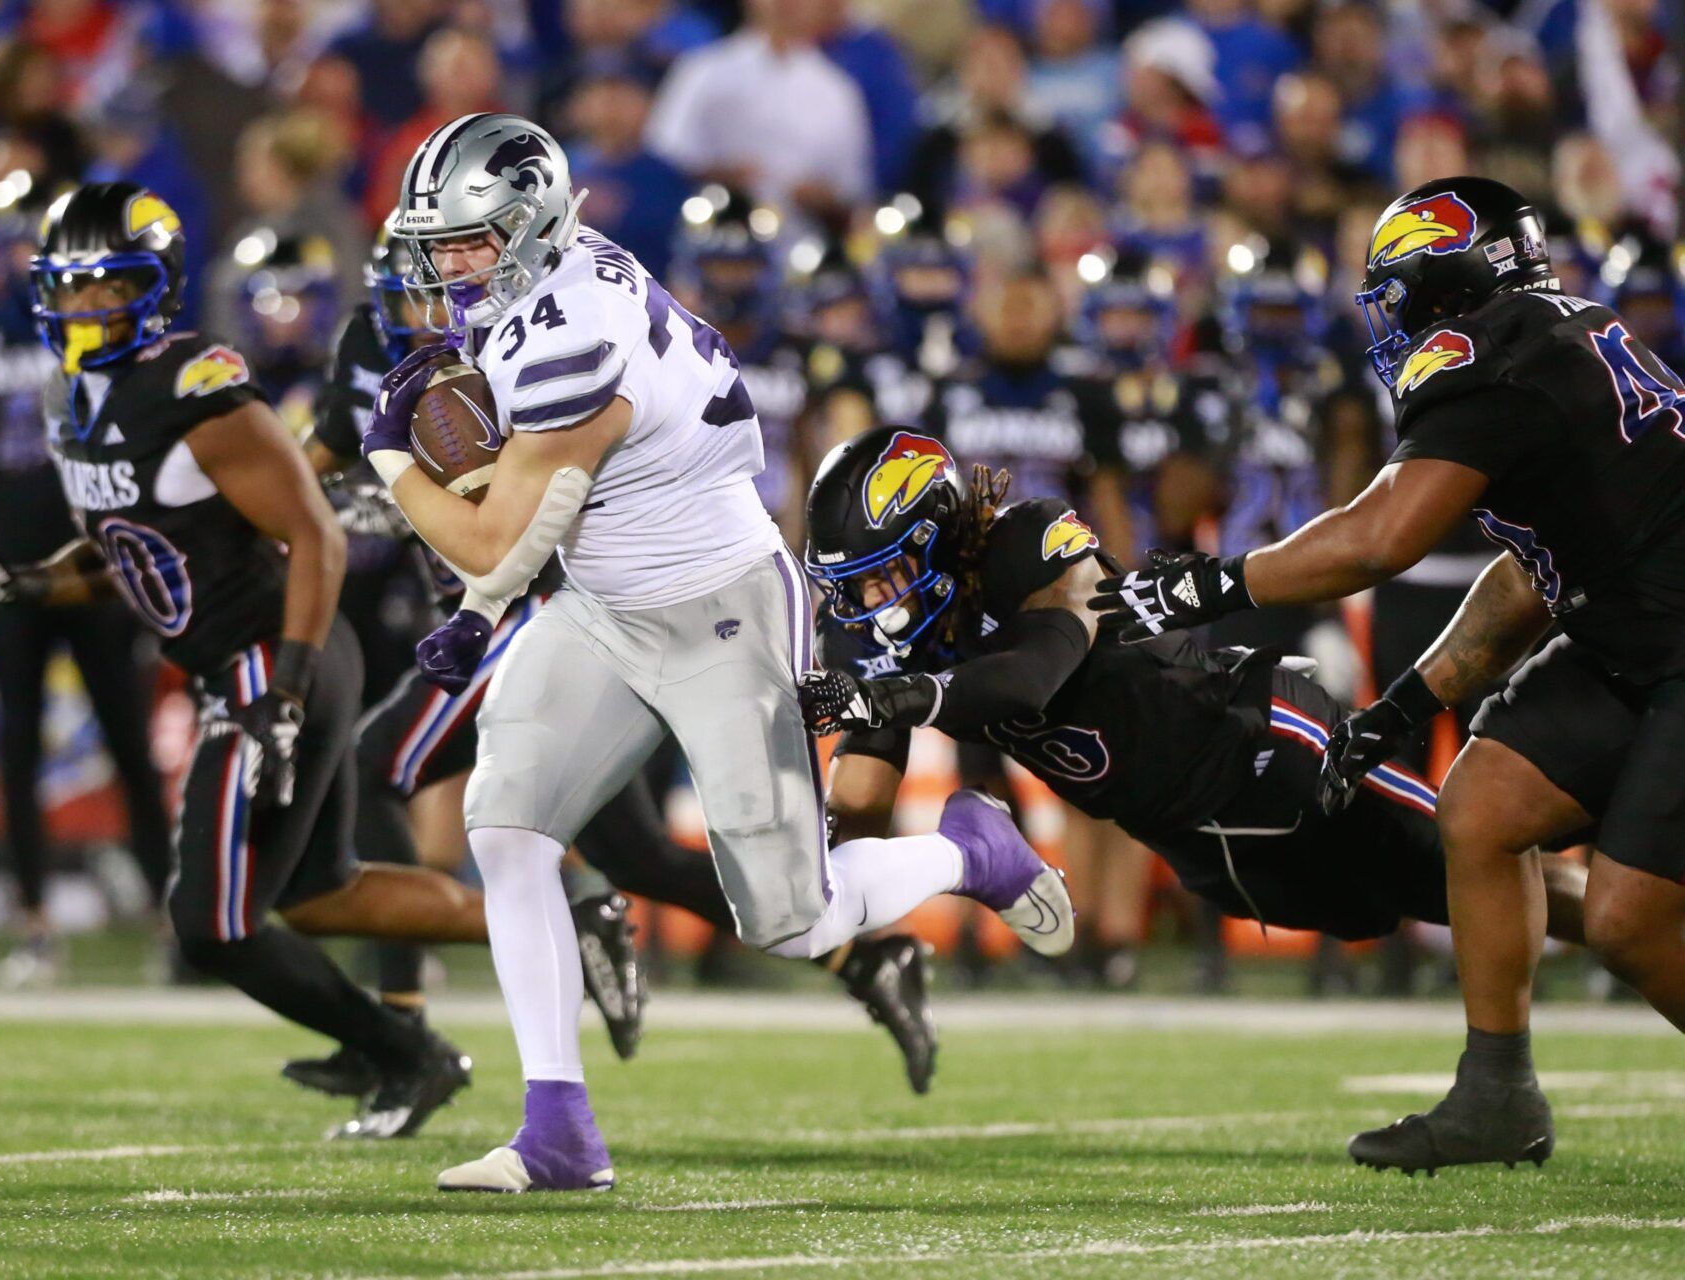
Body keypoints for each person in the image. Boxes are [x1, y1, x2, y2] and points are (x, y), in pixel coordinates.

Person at [364, 113, 1073, 1193]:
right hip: (604, 603)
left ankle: (970, 851)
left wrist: (391, 459)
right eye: (438, 241)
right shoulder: (547, 287)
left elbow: (502, 527)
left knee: (790, 918)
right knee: (505, 830)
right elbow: (549, 520)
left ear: (534, 224)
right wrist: (485, 600)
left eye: (470, 239)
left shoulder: (570, 328)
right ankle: (557, 1126)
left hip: (720, 611)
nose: (447, 264)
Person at [1090, 177, 1685, 1174]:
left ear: (1451, 279)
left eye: (1400, 286)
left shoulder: (1482, 353)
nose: (1392, 313)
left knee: (1627, 917)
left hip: (1673, 642)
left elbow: (1380, 537)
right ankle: (1496, 1093)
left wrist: (1210, 582)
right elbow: (1539, 566)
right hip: (1638, 631)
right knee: (1484, 807)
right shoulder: (1556, 330)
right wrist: (1411, 700)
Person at [306, 222, 943, 1095]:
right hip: (514, 600)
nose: (441, 290)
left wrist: (398, 479)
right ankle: (861, 963)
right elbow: (309, 477)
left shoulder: (541, 332)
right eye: (427, 268)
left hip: (545, 601)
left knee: (382, 765)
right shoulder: (381, 349)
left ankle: (403, 1029)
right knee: (634, 856)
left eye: (464, 256)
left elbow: (508, 533)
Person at [0, 182, 491, 1141]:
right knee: (317, 897)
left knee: (212, 923)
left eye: (105, 290)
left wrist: (282, 690)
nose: (81, 311)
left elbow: (314, 534)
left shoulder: (197, 383)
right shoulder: (69, 395)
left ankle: (408, 1053)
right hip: (241, 667)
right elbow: (124, 555)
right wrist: (29, 583)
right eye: (68, 291)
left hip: (271, 662)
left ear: (154, 289)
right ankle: (533, 939)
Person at [801, 427, 1585, 968]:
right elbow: (862, 801)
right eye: (851, 587)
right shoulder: (881, 637)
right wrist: (844, 893)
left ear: (938, 534)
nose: (868, 603)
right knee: (1402, 904)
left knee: (1473, 872)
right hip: (1188, 837)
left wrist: (880, 700)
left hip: (1265, 749)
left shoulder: (1028, 539)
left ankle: (1633, 924)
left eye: (882, 575)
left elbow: (1032, 671)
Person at [0, 172, 176, 987]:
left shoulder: (108, 326)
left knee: (130, 746)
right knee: (16, 750)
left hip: (99, 568)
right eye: (6, 235)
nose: (13, 251)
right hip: (9, 569)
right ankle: (35, 921)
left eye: (26, 235)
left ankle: (171, 916)